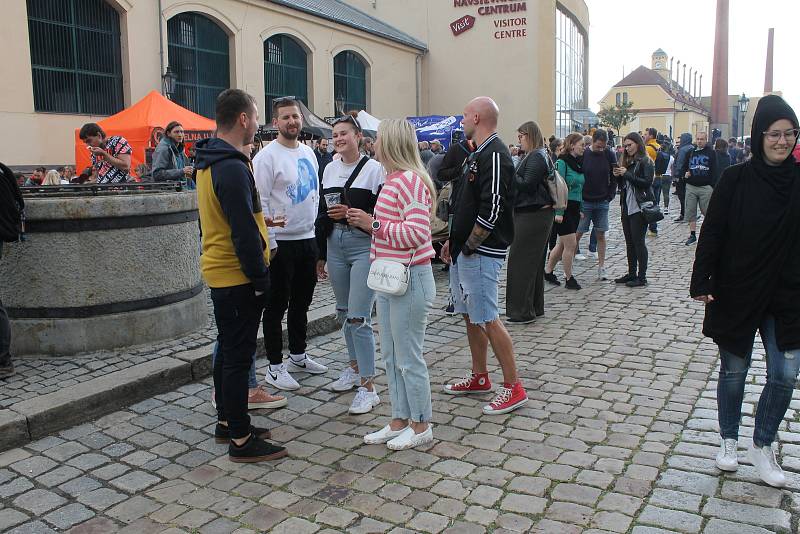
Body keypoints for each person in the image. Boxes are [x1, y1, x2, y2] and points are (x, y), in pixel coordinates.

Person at [690, 94, 800, 488]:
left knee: (785, 374)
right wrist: (702, 280)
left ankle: (763, 443)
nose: (782, 141)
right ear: (759, 136)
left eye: (790, 134)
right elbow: (713, 231)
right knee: (734, 371)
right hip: (738, 287)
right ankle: (728, 439)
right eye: (774, 134)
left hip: (787, 294)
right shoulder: (736, 179)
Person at [195, 88, 287, 462]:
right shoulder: (231, 166)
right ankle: (240, 439)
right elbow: (242, 231)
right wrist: (261, 279)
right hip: (236, 276)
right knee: (237, 356)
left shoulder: (211, 160)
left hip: (224, 271)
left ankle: (227, 422)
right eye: (255, 117)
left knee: (228, 352)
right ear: (244, 119)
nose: (258, 125)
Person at [348, 119, 438, 450]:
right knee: (391, 354)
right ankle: (400, 418)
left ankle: (421, 424)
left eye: (379, 139)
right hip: (391, 279)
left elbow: (417, 233)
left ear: (392, 143)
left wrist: (374, 224)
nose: (374, 143)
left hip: (409, 278)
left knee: (408, 356)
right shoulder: (394, 180)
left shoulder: (410, 182)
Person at [441, 96, 527, 415]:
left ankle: (513, 386)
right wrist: (455, 241)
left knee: (488, 317)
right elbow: (465, 201)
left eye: (464, 115)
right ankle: (480, 376)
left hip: (481, 251)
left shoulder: (494, 153)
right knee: (471, 315)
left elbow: (491, 209)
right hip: (466, 249)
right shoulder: (478, 151)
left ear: (476, 117)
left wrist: (468, 245)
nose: (462, 120)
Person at [253, 97, 328, 391]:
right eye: (285, 117)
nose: (292, 122)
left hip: (306, 239)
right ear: (275, 123)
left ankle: (298, 354)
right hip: (280, 243)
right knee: (276, 306)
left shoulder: (309, 153)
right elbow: (260, 201)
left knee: (302, 302)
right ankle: (274, 365)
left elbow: (314, 194)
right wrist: (270, 242)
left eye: (295, 116)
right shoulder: (267, 157)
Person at [316, 114, 384, 414]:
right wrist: (320, 254)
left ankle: (369, 387)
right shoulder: (329, 168)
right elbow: (322, 211)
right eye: (335, 134)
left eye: (344, 133)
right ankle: (354, 368)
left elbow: (382, 212)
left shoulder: (374, 169)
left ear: (358, 136)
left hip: (361, 245)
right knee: (343, 313)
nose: (339, 138)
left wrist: (354, 213)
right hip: (335, 245)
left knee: (359, 317)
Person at [506, 121, 553, 323]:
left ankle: (522, 311)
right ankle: (533, 307)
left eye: (521, 136)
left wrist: (509, 170)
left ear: (530, 135)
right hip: (535, 214)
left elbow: (526, 185)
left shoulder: (536, 156)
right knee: (532, 263)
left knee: (521, 262)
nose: (519, 140)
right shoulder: (536, 155)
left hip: (533, 214)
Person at [544, 133, 585, 289]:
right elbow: (558, 188)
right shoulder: (562, 162)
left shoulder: (578, 163)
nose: (584, 147)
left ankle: (548, 271)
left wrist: (580, 208)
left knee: (562, 244)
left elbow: (580, 188)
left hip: (574, 208)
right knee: (571, 245)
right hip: (564, 208)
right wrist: (559, 212)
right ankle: (569, 278)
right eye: (581, 144)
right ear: (572, 145)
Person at [613, 133, 654, 287]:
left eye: (630, 145)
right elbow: (623, 185)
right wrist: (618, 175)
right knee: (629, 243)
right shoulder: (627, 160)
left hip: (640, 207)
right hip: (627, 206)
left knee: (638, 242)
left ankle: (642, 277)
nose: (627, 148)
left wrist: (627, 174)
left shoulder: (645, 160)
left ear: (638, 144)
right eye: (625, 145)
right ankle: (631, 273)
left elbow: (646, 183)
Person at [575, 129, 617, 281]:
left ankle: (601, 266)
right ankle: (569, 259)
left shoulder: (609, 154)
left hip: (602, 201)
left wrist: (610, 195)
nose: (601, 149)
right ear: (592, 142)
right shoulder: (584, 154)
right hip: (585, 201)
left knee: (601, 234)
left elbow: (614, 176)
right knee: (578, 233)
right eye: (598, 146)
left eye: (603, 146)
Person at [684, 131, 717, 246]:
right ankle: (692, 235)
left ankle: (710, 233)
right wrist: (685, 174)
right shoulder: (691, 152)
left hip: (705, 186)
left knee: (707, 211)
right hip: (691, 186)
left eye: (702, 139)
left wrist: (712, 185)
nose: (699, 141)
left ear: (706, 140)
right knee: (691, 211)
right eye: (697, 139)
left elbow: (715, 169)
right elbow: (684, 166)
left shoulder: (711, 153)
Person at [673, 132, 694, 222]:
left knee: (682, 196)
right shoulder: (693, 148)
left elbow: (679, 163)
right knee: (690, 196)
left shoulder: (683, 149)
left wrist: (676, 176)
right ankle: (689, 214)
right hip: (691, 175)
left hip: (682, 176)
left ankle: (683, 214)